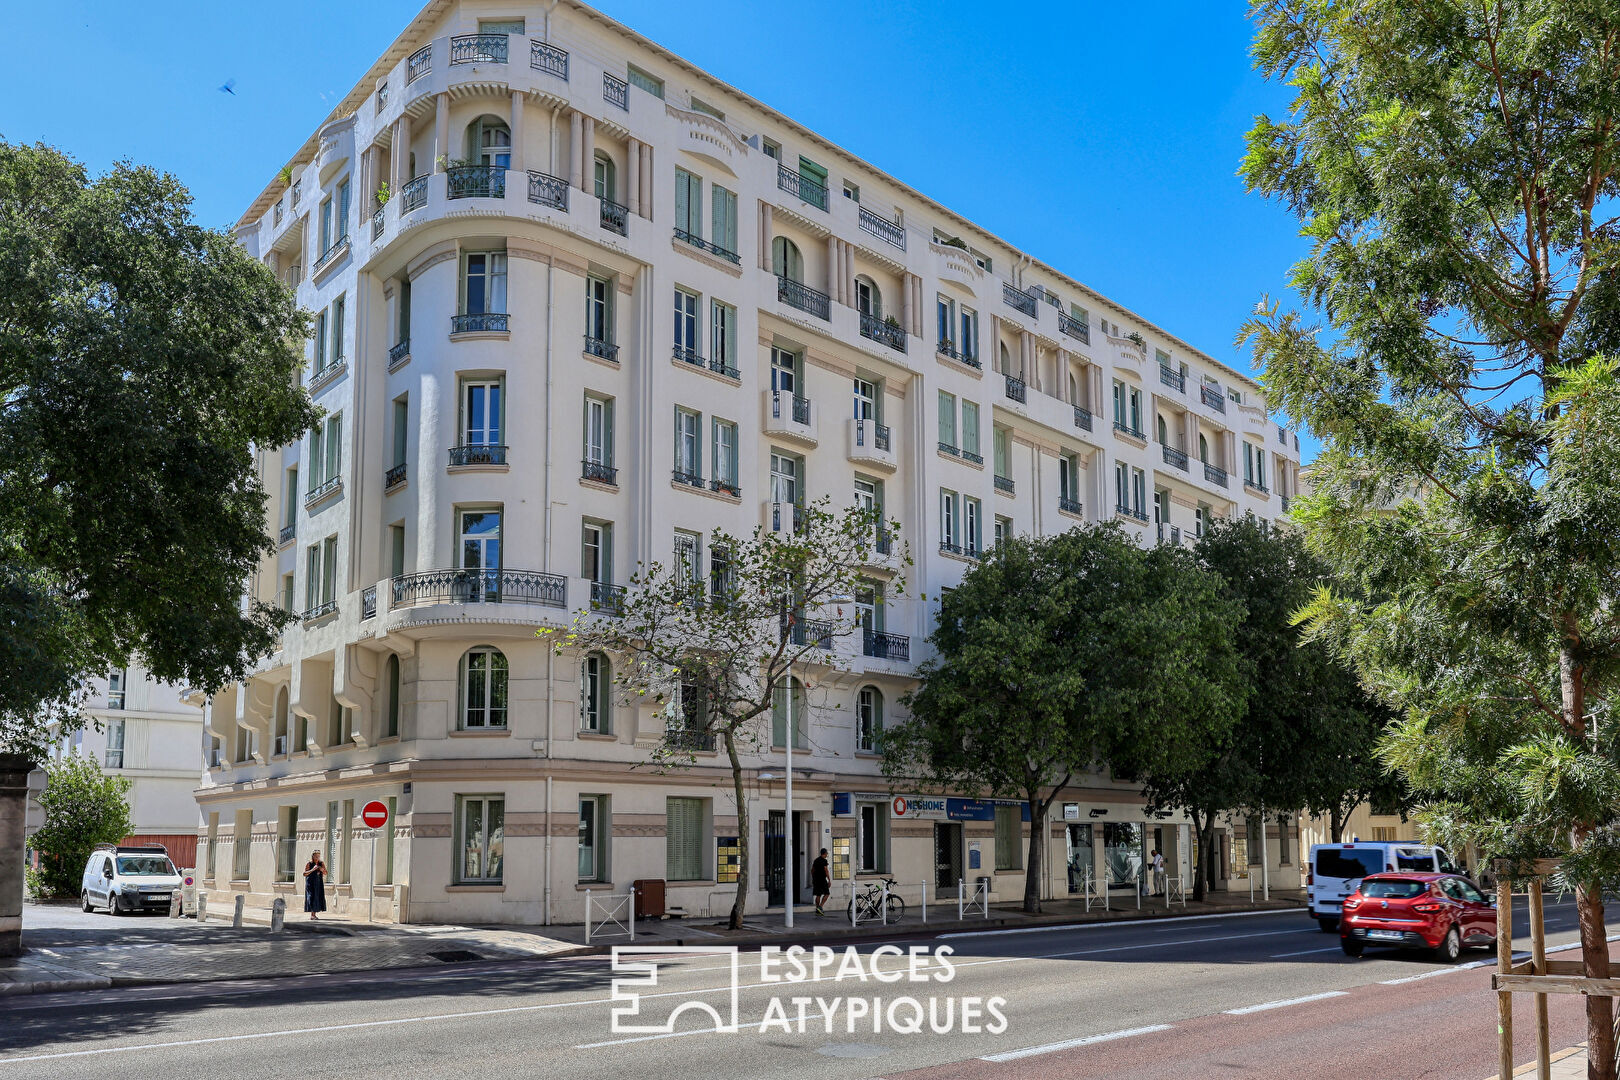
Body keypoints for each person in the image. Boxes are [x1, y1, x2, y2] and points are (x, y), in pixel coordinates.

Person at [303, 849, 328, 920]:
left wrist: (322, 870)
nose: (317, 858)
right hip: (310, 883)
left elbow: (326, 873)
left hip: (318, 883)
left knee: (317, 897)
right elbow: (304, 874)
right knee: (312, 897)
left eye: (318, 856)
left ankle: (314, 914)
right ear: (313, 856)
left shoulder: (321, 863)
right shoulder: (309, 863)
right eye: (316, 856)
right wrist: (313, 869)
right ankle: (312, 915)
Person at [811, 848, 831, 917]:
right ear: (824, 853)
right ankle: (820, 906)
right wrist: (829, 880)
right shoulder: (824, 861)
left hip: (816, 880)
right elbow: (826, 870)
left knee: (818, 894)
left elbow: (812, 870)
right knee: (827, 893)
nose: (827, 855)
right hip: (822, 880)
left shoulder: (816, 860)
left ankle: (817, 910)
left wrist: (813, 878)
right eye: (826, 854)